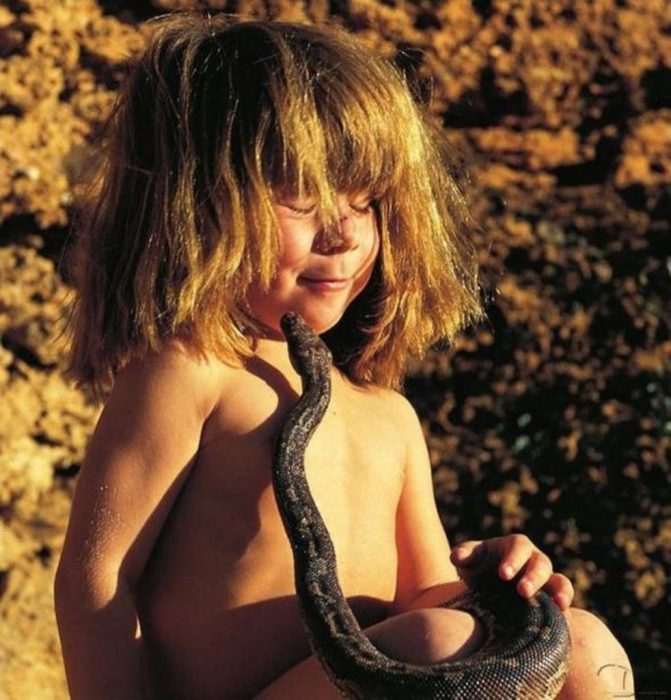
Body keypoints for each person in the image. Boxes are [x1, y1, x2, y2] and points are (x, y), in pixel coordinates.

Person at [54, 13, 634, 700]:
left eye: (365, 201)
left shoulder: (387, 417)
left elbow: (426, 594)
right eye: (302, 196)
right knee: (434, 646)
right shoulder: (190, 373)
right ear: (198, 199)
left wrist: (496, 582)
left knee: (579, 639)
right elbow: (96, 580)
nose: (343, 233)